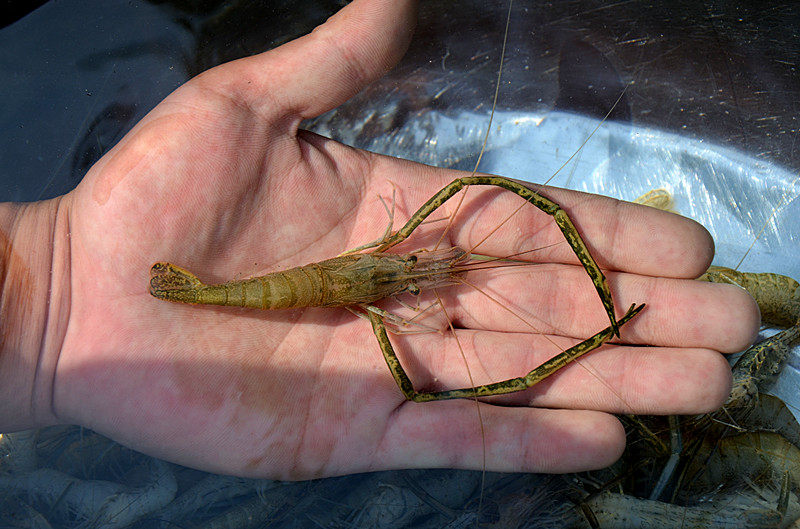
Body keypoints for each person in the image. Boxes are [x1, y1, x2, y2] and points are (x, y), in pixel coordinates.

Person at [0, 0, 758, 480]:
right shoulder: (390, 277)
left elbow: (399, 268)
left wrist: (45, 290)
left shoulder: (389, 267)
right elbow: (399, 278)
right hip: (279, 285)